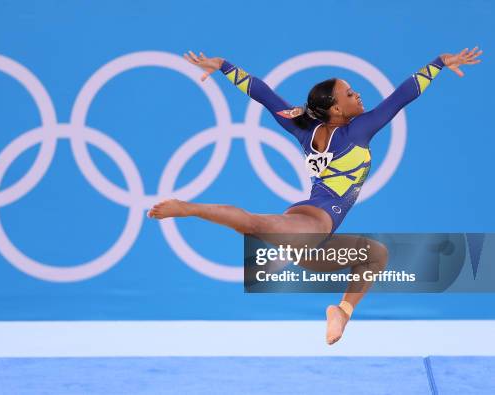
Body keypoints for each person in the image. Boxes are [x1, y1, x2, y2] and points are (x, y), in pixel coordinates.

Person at [147, 47, 482, 344]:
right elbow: (402, 96)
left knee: (375, 256)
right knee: (250, 223)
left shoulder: (303, 128)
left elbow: (263, 94)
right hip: (310, 223)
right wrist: (437, 64)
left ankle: (341, 312)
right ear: (335, 108)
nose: (358, 95)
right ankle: (187, 208)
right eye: (349, 94)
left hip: (316, 238)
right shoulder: (358, 129)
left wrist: (223, 65)